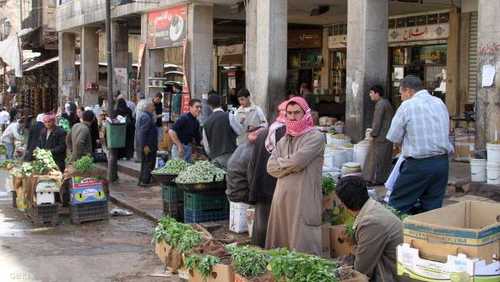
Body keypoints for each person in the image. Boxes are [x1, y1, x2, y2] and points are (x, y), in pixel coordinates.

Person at [265, 96, 325, 255]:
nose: (292, 117)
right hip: (281, 200)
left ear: (306, 113)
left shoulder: (316, 137)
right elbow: (270, 167)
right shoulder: (284, 140)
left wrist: (284, 164)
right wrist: (290, 164)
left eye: (296, 113)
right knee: (280, 252)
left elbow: (298, 162)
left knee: (303, 252)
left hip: (303, 200)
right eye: (289, 113)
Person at [386, 75, 450, 214]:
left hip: (419, 164)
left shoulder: (407, 106)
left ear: (408, 91)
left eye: (401, 93)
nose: (401, 97)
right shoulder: (439, 102)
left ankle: (393, 234)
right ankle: (426, 234)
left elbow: (394, 136)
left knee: (397, 205)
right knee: (431, 209)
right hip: (442, 163)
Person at [335, 176, 403, 281]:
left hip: (394, 276)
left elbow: (361, 269)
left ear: (344, 205)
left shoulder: (371, 222)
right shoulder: (373, 207)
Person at [248, 101, 287, 248]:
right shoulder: (286, 135)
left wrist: (252, 183)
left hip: (260, 182)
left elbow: (252, 164)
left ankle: (258, 253)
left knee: (261, 224)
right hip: (275, 184)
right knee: (276, 225)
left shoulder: (265, 133)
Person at [363, 85, 394, 185]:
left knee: (373, 159)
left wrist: (372, 134)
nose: (370, 95)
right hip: (387, 136)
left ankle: (370, 179)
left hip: (380, 137)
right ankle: (381, 179)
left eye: (371, 92)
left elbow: (377, 122)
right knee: (384, 160)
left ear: (377, 93)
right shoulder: (386, 103)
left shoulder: (380, 104)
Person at [202, 94, 243, 168]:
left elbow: (207, 147)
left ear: (210, 106)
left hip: (216, 158)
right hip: (231, 155)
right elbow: (240, 131)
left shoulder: (206, 123)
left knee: (219, 179)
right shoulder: (229, 116)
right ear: (221, 103)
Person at [136, 99, 158, 186]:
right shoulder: (146, 117)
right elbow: (143, 133)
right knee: (148, 162)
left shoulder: (145, 115)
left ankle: (143, 180)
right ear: (148, 107)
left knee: (146, 162)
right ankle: (145, 181)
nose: (154, 107)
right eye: (152, 106)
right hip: (148, 145)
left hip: (148, 144)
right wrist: (145, 145)